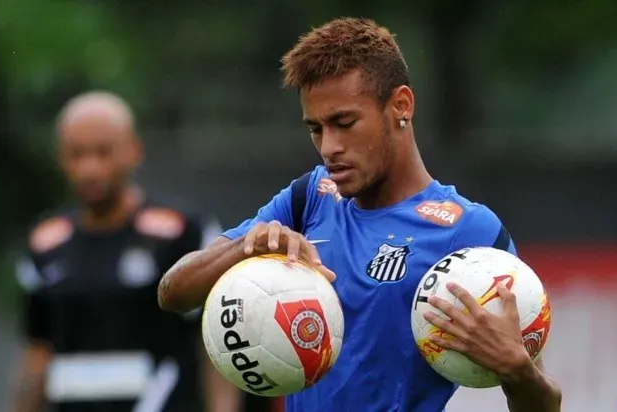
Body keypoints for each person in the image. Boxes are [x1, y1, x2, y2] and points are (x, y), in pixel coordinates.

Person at [157, 18, 562, 412]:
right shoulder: (309, 198)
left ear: (401, 106)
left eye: (344, 123)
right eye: (316, 129)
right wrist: (246, 249)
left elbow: (544, 402)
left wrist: (517, 371)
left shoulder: (467, 230)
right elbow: (173, 292)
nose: (328, 147)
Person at [11, 91, 241, 412]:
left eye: (103, 152)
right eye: (77, 154)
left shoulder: (180, 231)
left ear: (134, 150)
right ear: (60, 158)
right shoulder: (44, 243)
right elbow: (37, 350)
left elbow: (213, 338)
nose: (90, 168)